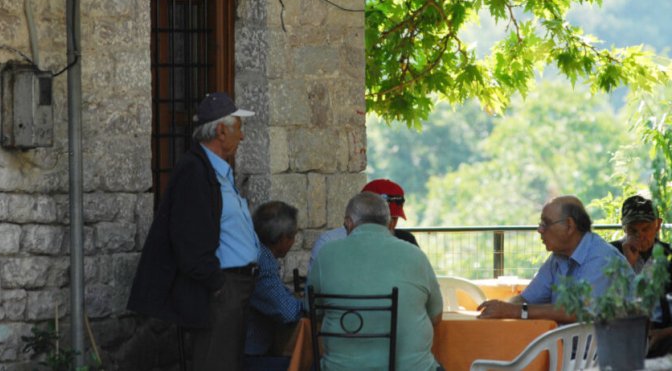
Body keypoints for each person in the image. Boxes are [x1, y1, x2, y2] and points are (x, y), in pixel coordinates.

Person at [128, 92, 261, 371]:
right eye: (239, 128)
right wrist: (218, 285)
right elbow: (189, 242)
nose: (243, 137)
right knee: (216, 363)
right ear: (221, 131)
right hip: (221, 287)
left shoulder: (216, 172)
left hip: (233, 286)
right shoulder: (194, 172)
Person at [309, 192, 443, 370]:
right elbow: (436, 315)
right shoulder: (415, 255)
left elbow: (311, 310)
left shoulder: (326, 254)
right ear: (389, 224)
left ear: (348, 223)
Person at [477, 196, 630, 323]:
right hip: (568, 351)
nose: (540, 230)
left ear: (569, 226)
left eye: (546, 224)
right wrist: (506, 308)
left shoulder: (601, 257)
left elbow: (578, 310)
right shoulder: (558, 257)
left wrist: (515, 311)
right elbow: (526, 299)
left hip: (604, 356)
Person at [609, 194, 672, 357]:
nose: (640, 236)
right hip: (621, 332)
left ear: (658, 225)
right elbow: (606, 300)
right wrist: (627, 265)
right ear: (624, 228)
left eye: (646, 229)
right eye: (633, 230)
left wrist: (663, 333)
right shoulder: (610, 254)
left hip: (661, 332)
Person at [308, 178, 417, 271]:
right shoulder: (328, 243)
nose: (391, 225)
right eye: (383, 219)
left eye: (395, 219)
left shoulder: (406, 241)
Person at [245, 201, 304, 368]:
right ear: (282, 238)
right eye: (293, 236)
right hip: (252, 355)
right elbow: (288, 312)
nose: (293, 241)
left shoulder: (258, 253)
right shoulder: (263, 263)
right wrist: (310, 304)